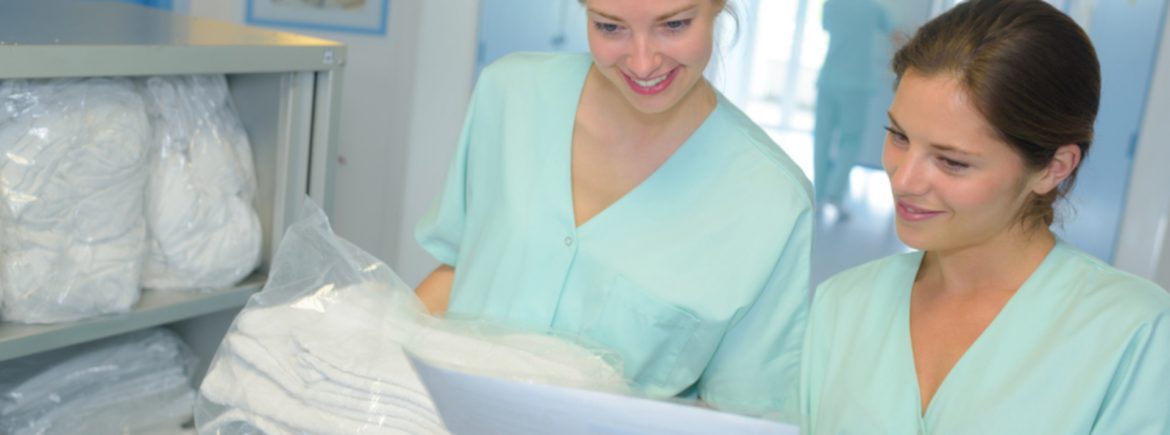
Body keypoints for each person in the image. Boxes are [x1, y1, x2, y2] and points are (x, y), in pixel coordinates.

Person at [414, 0, 812, 420]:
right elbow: (458, 270)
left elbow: (738, 413)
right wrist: (365, 346)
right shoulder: (511, 93)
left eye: (674, 24)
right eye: (609, 27)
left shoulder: (772, 203)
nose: (642, 63)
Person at [801, 0, 1170, 433]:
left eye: (952, 162)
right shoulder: (843, 305)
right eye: (899, 136)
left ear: (1054, 167)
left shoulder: (1135, 334)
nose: (904, 180)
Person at [812, 0, 895, 217]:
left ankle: (817, 196)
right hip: (857, 84)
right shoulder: (873, 9)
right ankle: (835, 196)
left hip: (829, 79)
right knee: (849, 142)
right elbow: (894, 34)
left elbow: (827, 27)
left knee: (822, 140)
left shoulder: (831, 4)